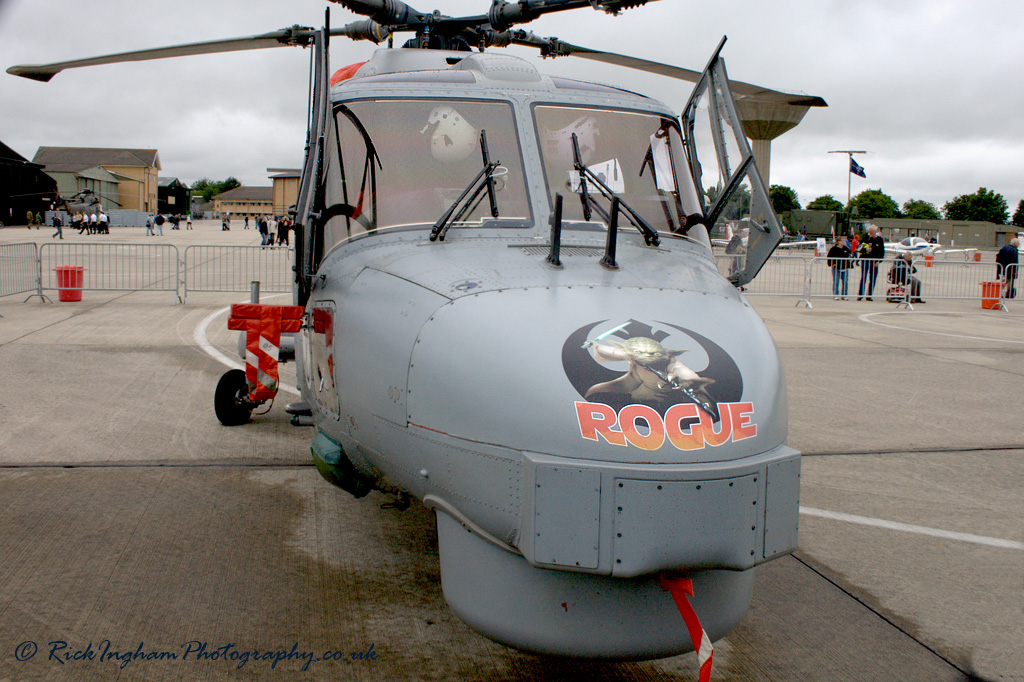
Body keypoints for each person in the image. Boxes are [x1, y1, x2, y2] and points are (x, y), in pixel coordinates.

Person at [857, 224, 885, 300]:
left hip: (874, 261)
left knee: (872, 278)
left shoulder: (879, 240)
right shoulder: (866, 239)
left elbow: (882, 252)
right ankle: (860, 295)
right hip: (865, 260)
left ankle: (869, 295)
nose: (870, 233)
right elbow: (860, 248)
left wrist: (879, 261)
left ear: (875, 231)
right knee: (863, 278)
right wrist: (865, 250)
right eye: (869, 231)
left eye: (872, 231)